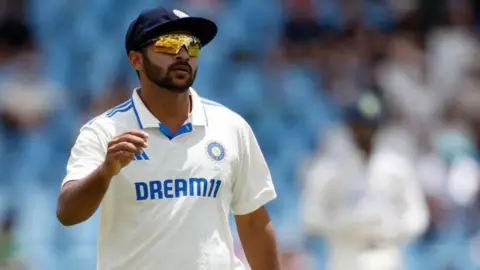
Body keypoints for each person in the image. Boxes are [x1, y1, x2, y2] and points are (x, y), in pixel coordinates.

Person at [56, 6, 280, 270]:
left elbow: (253, 221)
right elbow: (68, 213)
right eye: (169, 44)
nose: (183, 54)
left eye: (192, 45)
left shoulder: (231, 127)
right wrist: (105, 172)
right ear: (136, 59)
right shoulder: (103, 131)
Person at [301, 93, 429, 270]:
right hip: (345, 255)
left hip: (385, 254)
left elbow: (417, 216)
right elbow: (310, 216)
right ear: (350, 127)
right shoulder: (329, 169)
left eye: (371, 126)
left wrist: (392, 227)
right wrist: (343, 224)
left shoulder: (396, 167)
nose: (366, 132)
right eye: (360, 126)